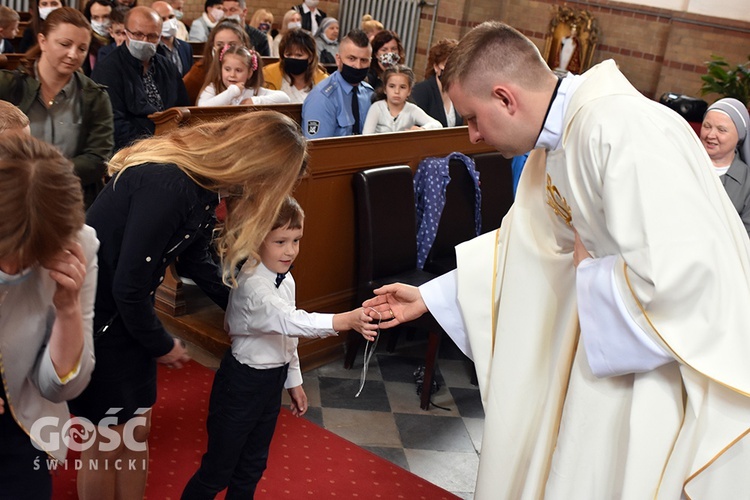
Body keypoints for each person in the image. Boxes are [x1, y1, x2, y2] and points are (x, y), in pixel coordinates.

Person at [363, 21, 750, 499]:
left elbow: (682, 275)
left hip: (648, 378)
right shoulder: (564, 139)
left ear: (506, 98)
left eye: (473, 118)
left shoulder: (618, 129)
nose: (474, 137)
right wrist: (433, 295)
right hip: (603, 355)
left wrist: (590, 274)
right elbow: (524, 246)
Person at [69, 111, 307, 499]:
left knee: (136, 431)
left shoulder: (203, 185)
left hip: (127, 315)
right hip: (98, 319)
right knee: (107, 441)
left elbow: (195, 260)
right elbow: (127, 284)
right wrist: (162, 344)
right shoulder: (170, 183)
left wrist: (242, 303)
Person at [182, 196, 377, 498]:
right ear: (257, 240)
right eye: (280, 241)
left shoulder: (284, 279)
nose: (290, 250)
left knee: (252, 466)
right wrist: (345, 320)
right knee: (218, 470)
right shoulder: (252, 285)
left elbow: (286, 337)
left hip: (271, 382)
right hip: (241, 386)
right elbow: (290, 321)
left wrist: (293, 380)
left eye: (296, 240)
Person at [0, 134, 98, 500]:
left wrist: (68, 308)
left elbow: (62, 387)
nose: (12, 269)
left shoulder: (78, 244)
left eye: (27, 261)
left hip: (23, 424)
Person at [0, 7, 114, 209]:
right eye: (65, 44)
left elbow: (98, 159)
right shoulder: (8, 85)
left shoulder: (95, 96)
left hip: (71, 200)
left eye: (81, 48)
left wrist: (45, 172)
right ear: (42, 41)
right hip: (11, 198)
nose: (73, 54)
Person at [92, 6, 189, 150]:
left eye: (152, 36)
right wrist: (152, 145)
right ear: (126, 33)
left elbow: (182, 107)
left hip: (170, 145)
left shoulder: (167, 67)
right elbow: (113, 123)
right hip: (129, 150)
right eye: (138, 34)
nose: (145, 41)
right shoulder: (107, 69)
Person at [302, 29, 373, 138]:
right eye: (351, 58)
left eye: (364, 60)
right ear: (338, 59)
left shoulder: (369, 94)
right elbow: (318, 149)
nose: (358, 66)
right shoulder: (322, 98)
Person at [700, 97, 750, 239]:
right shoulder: (684, 164)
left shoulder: (747, 184)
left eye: (721, 130)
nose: (710, 135)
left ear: (739, 136)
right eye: (707, 126)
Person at [182, 19, 249, 104]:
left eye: (232, 45)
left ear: (243, 46)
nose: (225, 49)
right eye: (219, 45)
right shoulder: (199, 71)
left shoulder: (250, 70)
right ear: (212, 47)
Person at [197, 44, 289, 106]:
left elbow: (284, 98)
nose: (232, 75)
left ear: (249, 73)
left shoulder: (254, 91)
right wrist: (232, 92)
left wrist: (254, 101)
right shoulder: (213, 88)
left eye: (238, 70)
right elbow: (203, 107)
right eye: (227, 69)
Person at [362, 65, 441, 134]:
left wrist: (422, 129)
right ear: (385, 89)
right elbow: (366, 136)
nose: (397, 91)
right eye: (392, 86)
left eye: (402, 87)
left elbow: (437, 125)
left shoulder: (412, 110)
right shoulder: (377, 108)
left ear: (409, 91)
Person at [263, 28, 327, 103]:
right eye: (288, 54)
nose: (293, 58)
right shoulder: (267, 75)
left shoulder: (324, 82)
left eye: (299, 55)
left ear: (310, 58)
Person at [411, 38, 462, 127]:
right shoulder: (421, 91)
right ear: (436, 67)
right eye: (447, 64)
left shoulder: (457, 93)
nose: (452, 69)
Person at [153, 0, 193, 76]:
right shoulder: (152, 49)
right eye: (163, 19)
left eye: (171, 17)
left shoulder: (186, 48)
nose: (169, 22)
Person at [82, 0, 114, 75]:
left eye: (106, 16)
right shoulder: (85, 43)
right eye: (96, 17)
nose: (101, 22)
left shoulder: (120, 40)